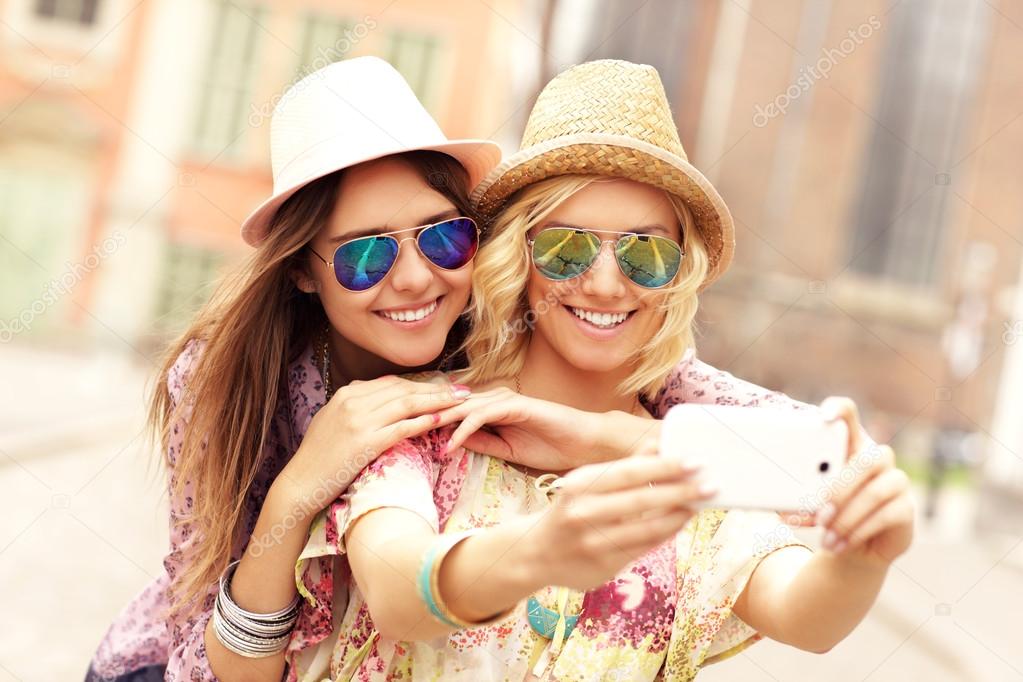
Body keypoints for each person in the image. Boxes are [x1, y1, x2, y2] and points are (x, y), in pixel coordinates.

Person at [290, 59, 915, 681]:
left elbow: (804, 613)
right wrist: (536, 553)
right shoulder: (424, 420)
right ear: (519, 255)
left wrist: (860, 556)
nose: (607, 284)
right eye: (568, 248)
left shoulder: (691, 460)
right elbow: (398, 591)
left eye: (645, 252)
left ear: (679, 272)